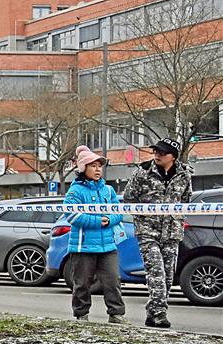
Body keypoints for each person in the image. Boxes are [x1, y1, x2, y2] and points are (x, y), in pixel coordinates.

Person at [122, 137, 194, 328]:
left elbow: (185, 200)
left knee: (169, 276)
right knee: (156, 272)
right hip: (148, 230)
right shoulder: (143, 172)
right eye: (155, 152)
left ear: (173, 156)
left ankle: (153, 313)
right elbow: (129, 198)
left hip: (172, 231)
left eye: (162, 152)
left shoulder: (184, 174)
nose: (157, 155)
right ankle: (160, 313)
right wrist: (141, 216)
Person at [64, 146, 126, 324]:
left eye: (100, 165)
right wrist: (97, 222)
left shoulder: (108, 190)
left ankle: (116, 314)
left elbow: (118, 212)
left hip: (108, 245)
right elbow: (72, 215)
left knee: (113, 280)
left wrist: (110, 219)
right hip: (82, 246)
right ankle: (81, 314)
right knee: (82, 283)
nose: (98, 169)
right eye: (93, 166)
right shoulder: (75, 191)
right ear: (84, 168)